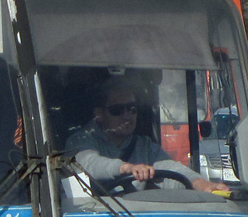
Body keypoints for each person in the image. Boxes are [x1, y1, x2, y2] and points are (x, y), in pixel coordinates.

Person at [65, 77, 224, 192]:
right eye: (117, 110)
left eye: (132, 109)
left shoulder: (144, 146)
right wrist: (126, 168)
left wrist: (200, 183)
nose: (127, 116)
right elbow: (89, 164)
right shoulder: (81, 140)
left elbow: (171, 168)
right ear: (99, 114)